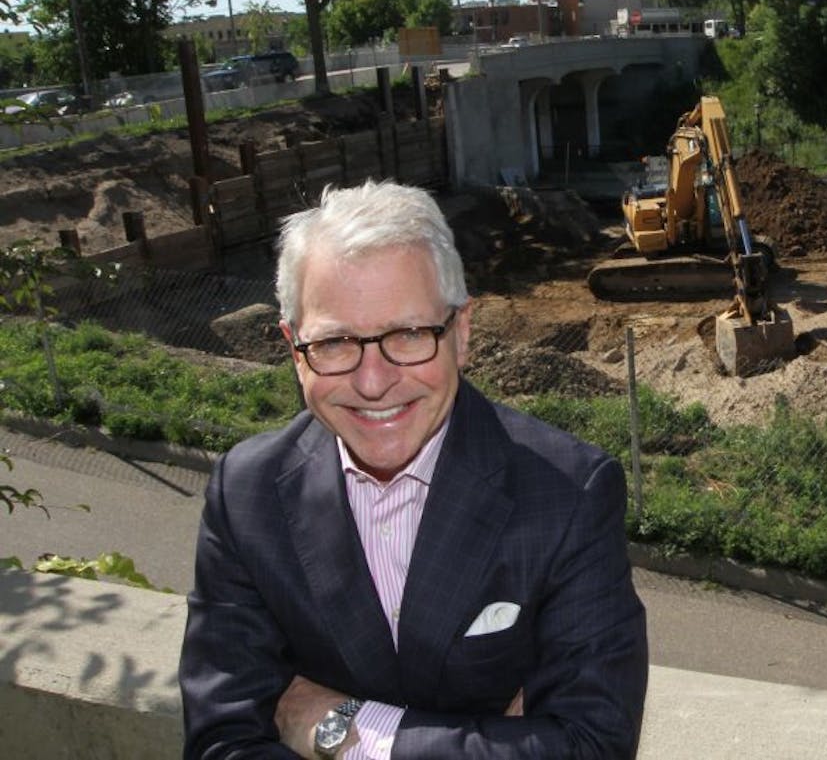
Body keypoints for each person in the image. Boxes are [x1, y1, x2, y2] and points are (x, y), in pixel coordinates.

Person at [179, 180, 648, 758]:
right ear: (291, 345)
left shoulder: (568, 492)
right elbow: (221, 744)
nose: (373, 383)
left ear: (463, 332)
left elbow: (591, 745)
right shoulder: (245, 494)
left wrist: (349, 734)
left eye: (408, 336)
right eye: (334, 344)